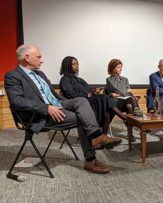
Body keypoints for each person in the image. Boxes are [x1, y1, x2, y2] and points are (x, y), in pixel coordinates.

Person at [4, 45, 122, 174]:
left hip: (56, 104)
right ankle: (90, 159)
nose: (42, 60)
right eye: (39, 57)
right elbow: (17, 101)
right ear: (27, 57)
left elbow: (53, 95)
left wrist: (64, 103)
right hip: (39, 114)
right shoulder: (12, 76)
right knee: (82, 118)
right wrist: (46, 107)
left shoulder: (40, 74)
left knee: (81, 101)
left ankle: (96, 137)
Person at [59, 56, 128, 136]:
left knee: (106, 110)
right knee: (105, 98)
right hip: (81, 104)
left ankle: (103, 136)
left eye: (77, 64)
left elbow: (88, 91)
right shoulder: (65, 80)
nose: (77, 66)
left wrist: (95, 91)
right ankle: (123, 118)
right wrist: (89, 94)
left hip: (90, 101)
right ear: (67, 66)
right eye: (74, 64)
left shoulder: (79, 79)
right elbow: (71, 95)